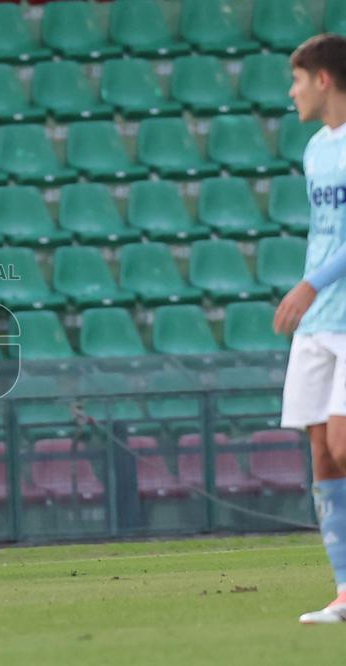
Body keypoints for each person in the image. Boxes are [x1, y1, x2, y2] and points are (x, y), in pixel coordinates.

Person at [269, 34, 346, 625]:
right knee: (321, 449)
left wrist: (312, 282)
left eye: (297, 79)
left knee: (344, 443)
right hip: (317, 322)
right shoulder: (316, 150)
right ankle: (345, 590)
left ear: (322, 79)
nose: (291, 91)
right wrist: (311, 291)